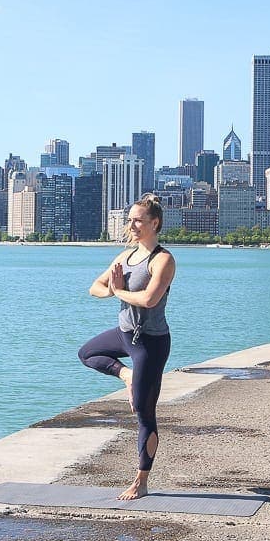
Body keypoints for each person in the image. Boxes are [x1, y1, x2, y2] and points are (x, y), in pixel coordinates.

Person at [78, 194, 175, 500]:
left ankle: (141, 481)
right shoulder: (123, 258)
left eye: (138, 220)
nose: (131, 225)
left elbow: (149, 299)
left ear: (154, 223)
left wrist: (119, 290)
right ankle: (127, 376)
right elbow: (95, 288)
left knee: (144, 412)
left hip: (151, 342)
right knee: (88, 353)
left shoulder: (163, 259)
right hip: (124, 333)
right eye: (129, 219)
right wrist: (112, 291)